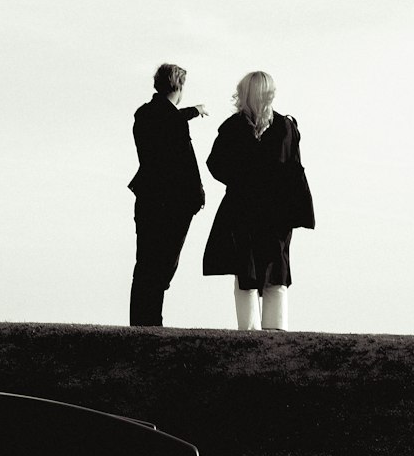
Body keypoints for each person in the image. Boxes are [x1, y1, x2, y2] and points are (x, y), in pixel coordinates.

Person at [203, 71, 314, 331]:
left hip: (243, 208)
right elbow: (294, 168)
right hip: (277, 211)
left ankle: (248, 330)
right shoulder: (286, 127)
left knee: (247, 269)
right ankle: (276, 330)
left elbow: (215, 163)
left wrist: (238, 181)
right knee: (276, 268)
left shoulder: (233, 127)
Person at [127, 63, 208, 327]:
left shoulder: (144, 114)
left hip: (148, 198)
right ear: (180, 86)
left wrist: (193, 111)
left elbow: (168, 116)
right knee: (163, 266)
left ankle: (142, 322)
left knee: (145, 263)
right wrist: (199, 196)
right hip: (172, 204)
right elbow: (187, 160)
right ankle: (151, 321)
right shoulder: (172, 122)